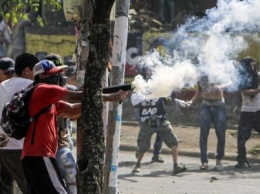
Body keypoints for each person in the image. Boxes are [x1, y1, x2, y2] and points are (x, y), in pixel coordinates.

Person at [21, 59, 128, 193]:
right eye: (54, 74)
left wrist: (100, 100)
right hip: (40, 153)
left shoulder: (45, 98)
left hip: (33, 155)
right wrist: (111, 97)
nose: (58, 77)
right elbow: (79, 97)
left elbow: (72, 110)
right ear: (42, 76)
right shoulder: (43, 89)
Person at [131, 65, 186, 174]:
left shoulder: (161, 86)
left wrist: (169, 100)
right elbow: (134, 101)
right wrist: (150, 94)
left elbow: (168, 100)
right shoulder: (140, 86)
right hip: (147, 120)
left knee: (173, 141)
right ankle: (137, 165)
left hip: (161, 119)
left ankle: (176, 166)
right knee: (143, 146)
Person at [0, 53, 39, 194]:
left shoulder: (2, 86)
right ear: (27, 70)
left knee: (5, 187)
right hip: (21, 147)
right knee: (31, 187)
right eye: (36, 70)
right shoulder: (32, 85)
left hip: (3, 146)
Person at [45, 53, 77, 194]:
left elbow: (75, 113)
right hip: (44, 148)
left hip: (62, 144)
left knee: (71, 176)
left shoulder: (68, 89)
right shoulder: (38, 90)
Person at [188, 73, 232, 171]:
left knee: (220, 133)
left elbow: (230, 82)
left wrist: (219, 87)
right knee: (203, 133)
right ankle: (204, 161)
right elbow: (199, 92)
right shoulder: (201, 77)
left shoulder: (217, 71)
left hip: (219, 105)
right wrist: (191, 101)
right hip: (205, 105)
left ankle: (219, 160)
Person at [235, 57, 260, 168]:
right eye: (249, 65)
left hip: (258, 110)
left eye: (252, 65)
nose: (251, 67)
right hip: (246, 111)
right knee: (241, 138)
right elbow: (245, 93)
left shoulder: (258, 76)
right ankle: (241, 161)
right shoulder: (242, 79)